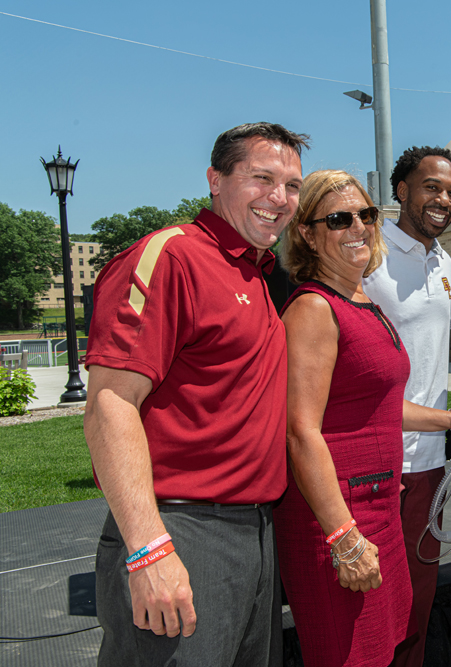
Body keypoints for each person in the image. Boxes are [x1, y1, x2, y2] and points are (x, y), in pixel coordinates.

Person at [83, 122, 310, 665]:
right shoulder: (172, 256)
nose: (279, 199)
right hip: (181, 529)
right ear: (215, 179)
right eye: (261, 178)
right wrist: (148, 550)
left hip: (256, 530)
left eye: (293, 185)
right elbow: (109, 405)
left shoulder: (260, 274)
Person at [276, 169, 451, 667]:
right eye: (339, 219)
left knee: (387, 644)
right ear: (307, 233)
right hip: (338, 516)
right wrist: (342, 536)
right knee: (349, 653)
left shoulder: (362, 299)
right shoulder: (314, 308)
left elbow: (380, 407)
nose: (359, 226)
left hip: (382, 504)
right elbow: (301, 430)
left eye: (365, 215)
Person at [362, 146, 451, 667]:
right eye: (431, 187)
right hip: (373, 464)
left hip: (427, 463)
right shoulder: (368, 251)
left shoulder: (443, 261)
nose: (442, 199)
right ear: (401, 190)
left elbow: (443, 349)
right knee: (368, 607)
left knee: (416, 605)